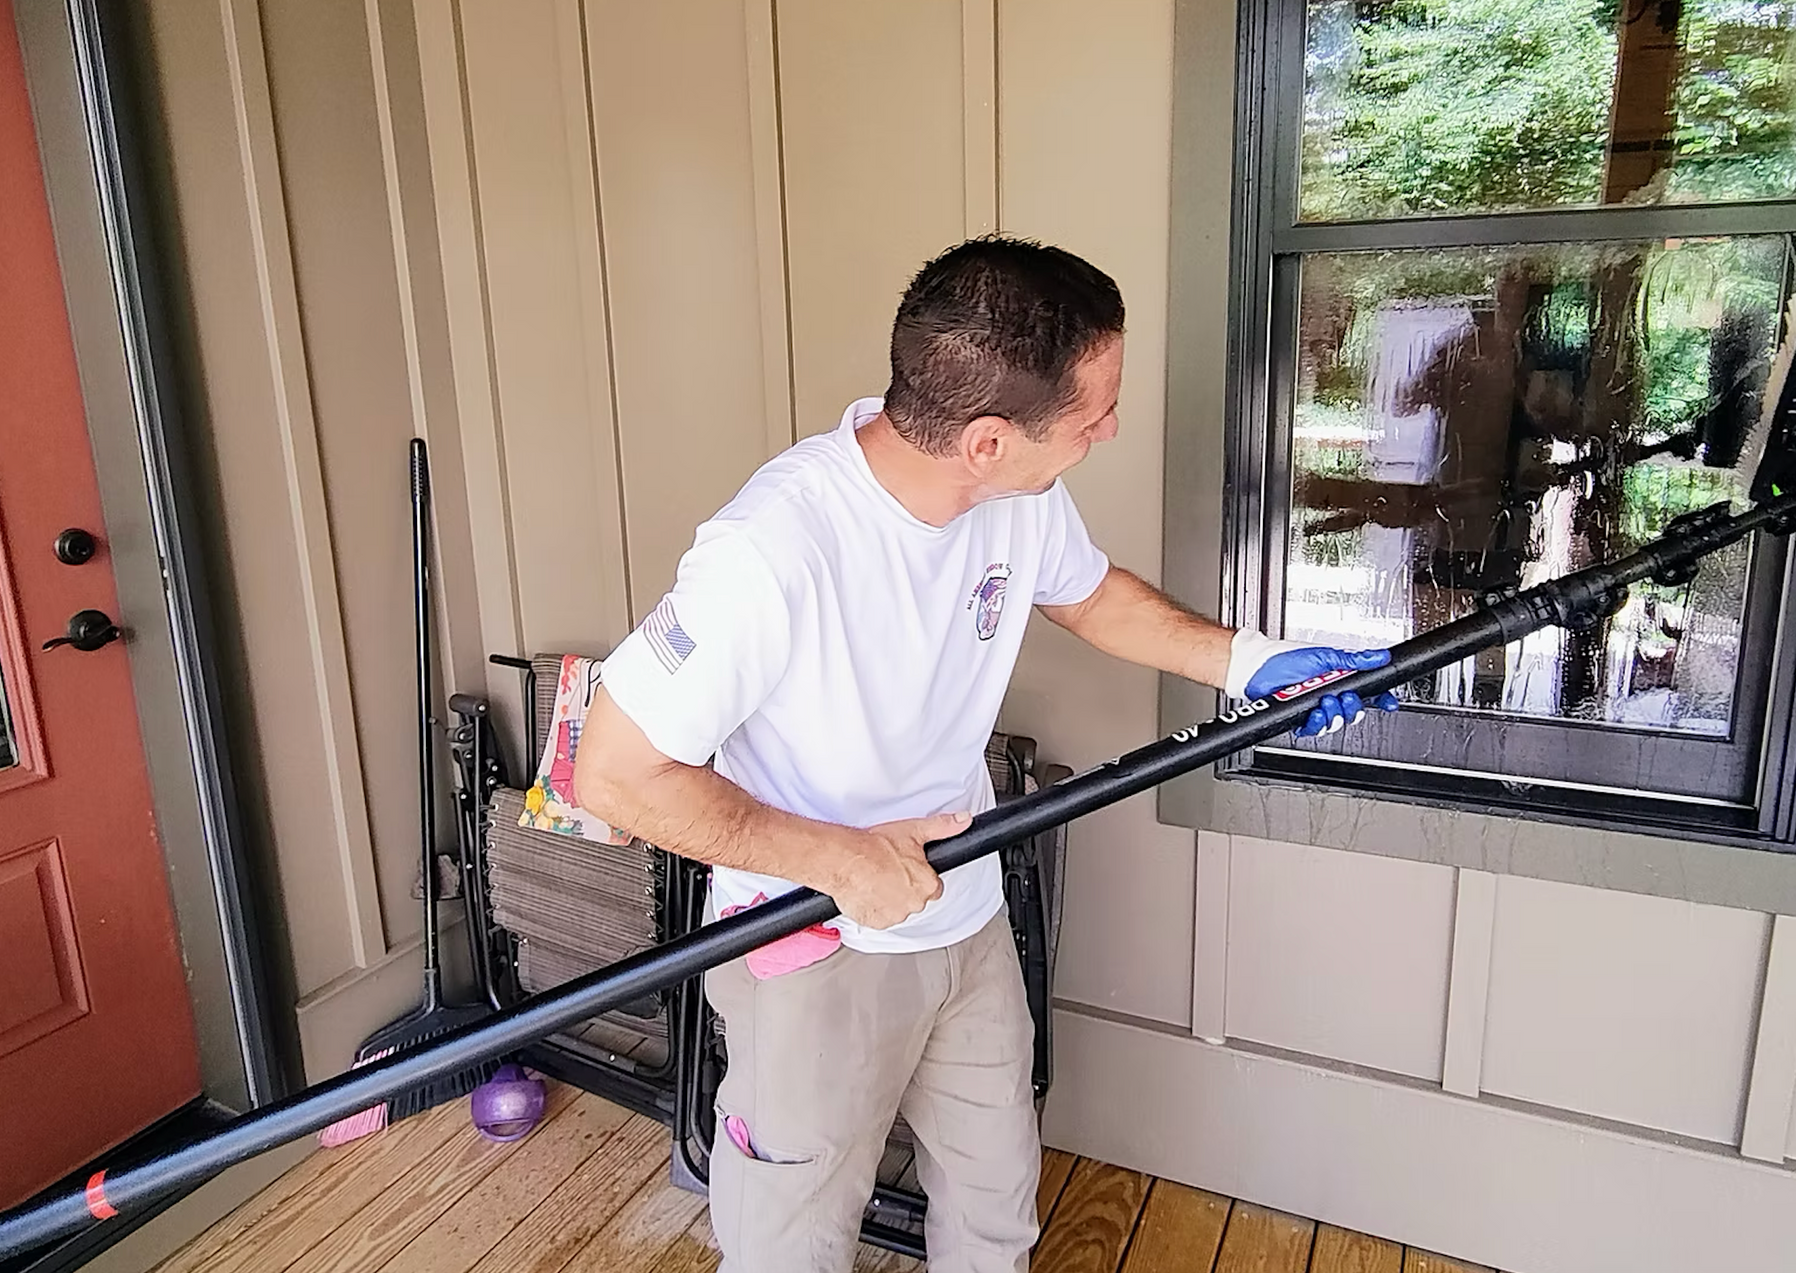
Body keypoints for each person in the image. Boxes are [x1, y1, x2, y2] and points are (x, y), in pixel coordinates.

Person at [572, 236, 1396, 1273]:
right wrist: (837, 859)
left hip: (965, 922)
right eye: (1094, 410)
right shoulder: (773, 551)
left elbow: (1090, 597)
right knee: (791, 1246)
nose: (1108, 426)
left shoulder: (1017, 497)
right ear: (990, 440)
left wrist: (1257, 663)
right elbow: (610, 773)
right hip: (814, 951)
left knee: (996, 1216)